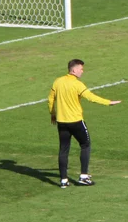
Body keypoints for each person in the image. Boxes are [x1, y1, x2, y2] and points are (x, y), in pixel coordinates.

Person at [48, 59, 121, 188]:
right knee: (85, 144)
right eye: (81, 69)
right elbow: (91, 97)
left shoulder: (58, 81)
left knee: (64, 149)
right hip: (75, 121)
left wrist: (53, 114)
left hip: (62, 122)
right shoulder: (77, 84)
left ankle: (63, 180)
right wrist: (108, 102)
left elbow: (51, 99)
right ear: (74, 70)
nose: (82, 71)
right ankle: (83, 176)